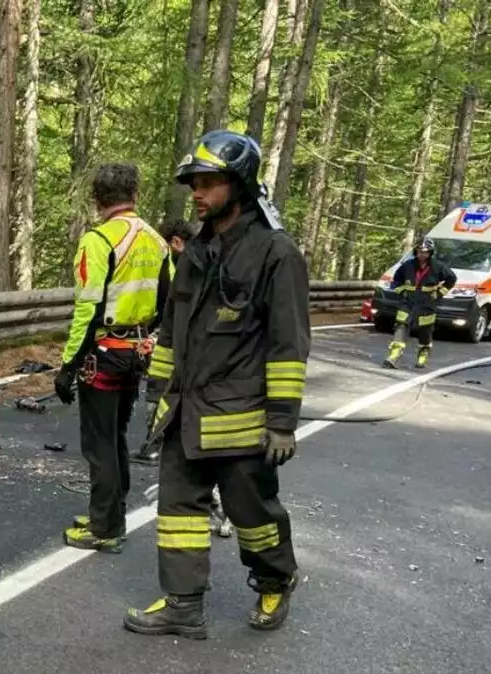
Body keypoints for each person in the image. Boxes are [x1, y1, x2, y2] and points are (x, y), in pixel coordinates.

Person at [125, 130, 309, 639]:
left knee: (252, 514)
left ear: (239, 183)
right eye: (194, 185)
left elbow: (288, 344)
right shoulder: (196, 251)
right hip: (185, 412)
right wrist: (156, 393)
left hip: (242, 418)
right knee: (178, 512)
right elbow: (172, 331)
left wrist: (282, 423)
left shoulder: (276, 253)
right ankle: (184, 605)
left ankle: (276, 578)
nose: (197, 194)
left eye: (207, 183)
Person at [55, 163, 171, 553]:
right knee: (117, 435)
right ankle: (112, 514)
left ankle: (104, 528)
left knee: (99, 442)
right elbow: (167, 299)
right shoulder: (157, 241)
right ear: (134, 195)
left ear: (97, 199)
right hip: (137, 351)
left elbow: (87, 310)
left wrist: (68, 366)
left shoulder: (99, 240)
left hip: (103, 353)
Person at [132, 218, 193, 467]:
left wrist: (154, 338)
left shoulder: (182, 270)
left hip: (176, 348)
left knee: (160, 391)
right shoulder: (201, 263)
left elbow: (171, 313)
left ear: (175, 243)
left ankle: (156, 444)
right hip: (187, 348)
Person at [383, 239, 456, 370]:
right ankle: (394, 354)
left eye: (425, 252)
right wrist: (401, 291)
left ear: (430, 253)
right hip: (408, 301)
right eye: (419, 251)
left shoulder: (438, 266)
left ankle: (423, 352)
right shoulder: (407, 265)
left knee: (425, 330)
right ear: (415, 251)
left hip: (427, 302)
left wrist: (439, 293)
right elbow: (396, 280)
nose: (422, 254)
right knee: (401, 324)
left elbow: (452, 279)